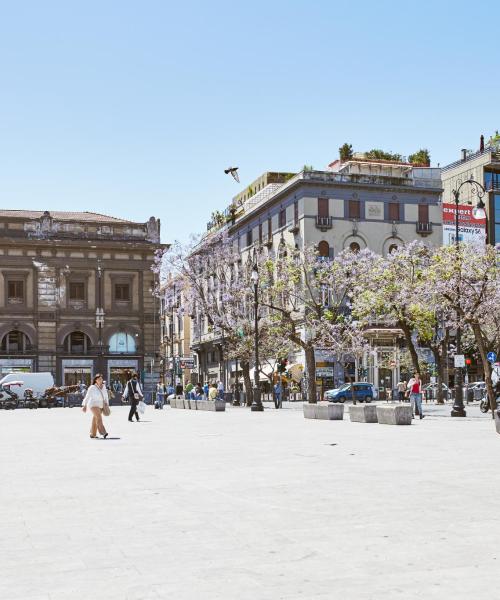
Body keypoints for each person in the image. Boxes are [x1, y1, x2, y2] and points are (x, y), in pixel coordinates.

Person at [81, 373, 109, 439]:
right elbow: (87, 396)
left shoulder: (104, 387)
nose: (100, 380)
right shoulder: (92, 387)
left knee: (95, 419)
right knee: (99, 418)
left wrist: (107, 403)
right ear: (96, 380)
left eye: (101, 379)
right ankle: (103, 432)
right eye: (99, 379)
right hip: (93, 405)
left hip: (101, 405)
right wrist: (84, 405)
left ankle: (92, 434)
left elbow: (106, 396)